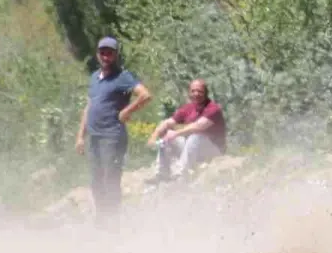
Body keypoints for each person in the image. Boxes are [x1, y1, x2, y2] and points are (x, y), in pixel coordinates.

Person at [74, 37, 152, 224]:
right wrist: (80, 136)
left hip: (112, 136)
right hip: (94, 137)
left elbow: (145, 95)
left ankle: (113, 223)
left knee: (110, 179)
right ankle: (102, 221)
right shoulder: (94, 77)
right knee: (96, 181)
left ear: (116, 54)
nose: (105, 56)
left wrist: (127, 110)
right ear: (97, 54)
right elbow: (89, 106)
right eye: (102, 52)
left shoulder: (123, 77)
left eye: (109, 52)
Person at [146, 79, 227, 183]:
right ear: (189, 93)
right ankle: (161, 174)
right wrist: (153, 136)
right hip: (194, 149)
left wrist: (176, 133)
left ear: (206, 93)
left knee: (195, 137)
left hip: (214, 149)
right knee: (167, 139)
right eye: (193, 91)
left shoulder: (213, 109)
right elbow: (167, 123)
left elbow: (198, 126)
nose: (196, 94)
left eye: (200, 91)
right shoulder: (188, 108)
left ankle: (181, 175)